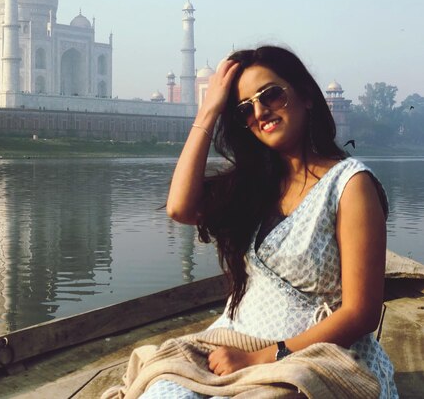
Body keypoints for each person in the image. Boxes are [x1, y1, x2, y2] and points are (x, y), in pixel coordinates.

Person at [143, 46, 398, 398]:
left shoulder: (349, 185)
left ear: (306, 96)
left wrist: (266, 357)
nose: (261, 111)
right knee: (164, 392)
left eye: (271, 95)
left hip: (317, 355)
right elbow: (179, 208)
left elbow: (361, 313)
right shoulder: (253, 185)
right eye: (246, 108)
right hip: (235, 340)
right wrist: (210, 109)